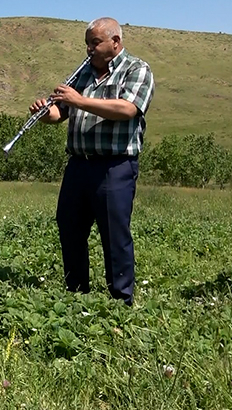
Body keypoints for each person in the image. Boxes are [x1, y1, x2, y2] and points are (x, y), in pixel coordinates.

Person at [28, 17, 155, 305]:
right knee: (69, 225)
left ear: (115, 42)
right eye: (87, 43)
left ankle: (121, 299)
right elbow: (59, 114)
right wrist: (45, 112)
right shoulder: (83, 73)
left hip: (114, 165)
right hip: (78, 164)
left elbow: (127, 109)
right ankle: (76, 292)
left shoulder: (136, 69)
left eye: (95, 42)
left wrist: (79, 101)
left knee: (114, 231)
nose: (89, 49)